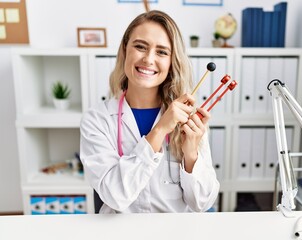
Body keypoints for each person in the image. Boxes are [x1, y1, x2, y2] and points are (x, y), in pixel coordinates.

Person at [80, 10, 220, 214]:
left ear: (172, 61)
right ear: (125, 49)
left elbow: (202, 203)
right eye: (140, 47)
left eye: (162, 52)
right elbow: (114, 196)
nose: (148, 59)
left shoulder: (188, 119)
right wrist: (160, 129)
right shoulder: (97, 120)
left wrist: (191, 152)